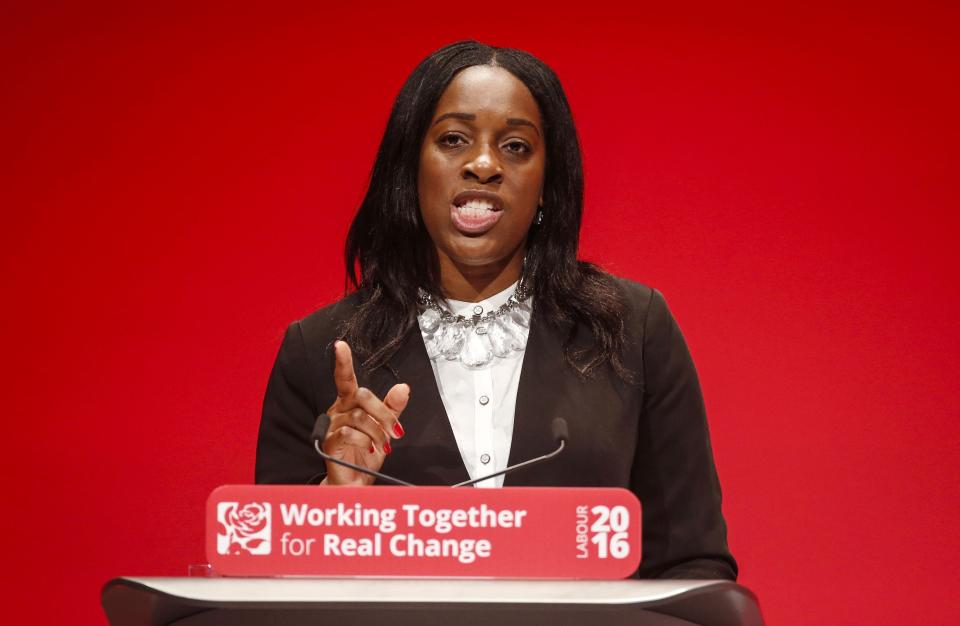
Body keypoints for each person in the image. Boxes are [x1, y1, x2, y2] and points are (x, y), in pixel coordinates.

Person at [255, 41, 737, 580]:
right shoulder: (319, 351)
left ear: (547, 185)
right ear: (410, 169)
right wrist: (333, 506)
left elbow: (692, 567)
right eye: (454, 139)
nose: (483, 165)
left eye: (514, 146)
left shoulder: (632, 328)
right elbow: (269, 587)